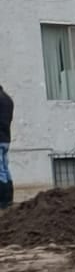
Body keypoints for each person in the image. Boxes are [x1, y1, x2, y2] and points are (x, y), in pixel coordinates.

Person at [0, 81, 12, 211]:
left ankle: (2, 200)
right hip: (6, 138)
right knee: (5, 169)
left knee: (0, 170)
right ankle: (9, 198)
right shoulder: (8, 99)